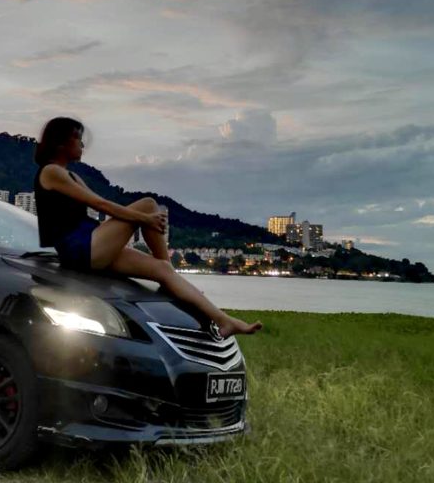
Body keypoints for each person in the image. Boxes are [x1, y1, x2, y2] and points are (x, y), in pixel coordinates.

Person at [33, 116, 262, 338]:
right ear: (61, 142)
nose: (83, 144)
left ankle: (223, 320)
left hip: (92, 243)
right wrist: (143, 220)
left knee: (162, 270)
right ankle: (169, 271)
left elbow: (100, 205)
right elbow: (100, 204)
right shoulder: (51, 171)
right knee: (149, 205)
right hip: (79, 249)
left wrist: (135, 223)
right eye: (77, 138)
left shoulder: (71, 175)